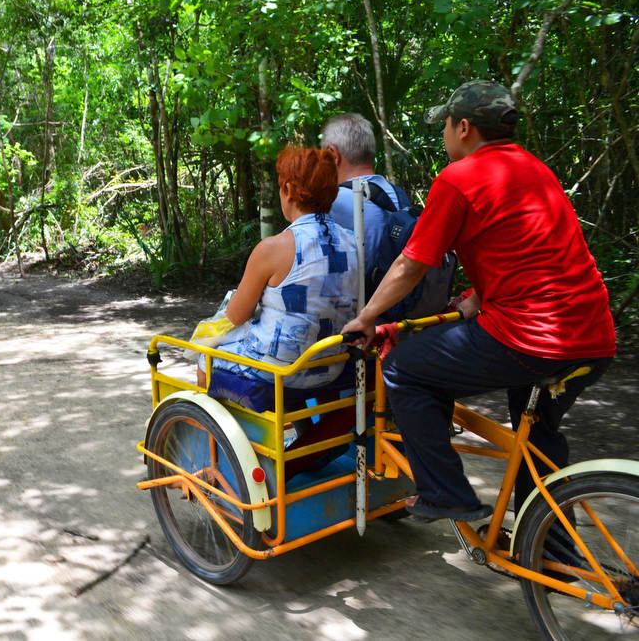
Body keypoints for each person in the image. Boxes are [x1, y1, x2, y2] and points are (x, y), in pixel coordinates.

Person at [341, 80, 616, 522]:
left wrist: (367, 317)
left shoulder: (459, 178)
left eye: (446, 124)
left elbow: (412, 264)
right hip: (593, 336)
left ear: (464, 127)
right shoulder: (535, 169)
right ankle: (548, 545)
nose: (444, 133)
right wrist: (476, 296)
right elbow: (532, 253)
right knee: (537, 436)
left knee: (404, 369)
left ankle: (445, 493)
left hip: (528, 337)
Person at [198, 145, 359, 402]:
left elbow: (237, 315)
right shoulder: (354, 243)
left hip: (279, 371)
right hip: (330, 366)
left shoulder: (273, 248)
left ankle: (208, 424)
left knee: (205, 357)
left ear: (289, 190)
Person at [321, 113, 409, 273]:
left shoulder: (331, 201)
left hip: (363, 289)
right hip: (404, 287)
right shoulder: (397, 194)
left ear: (333, 155)